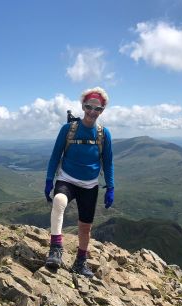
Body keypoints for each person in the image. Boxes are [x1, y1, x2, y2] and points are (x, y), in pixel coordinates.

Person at [44, 87, 114, 278]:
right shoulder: (68, 130)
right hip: (67, 178)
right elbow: (55, 155)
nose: (92, 112)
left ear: (102, 110)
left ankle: (80, 263)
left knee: (85, 227)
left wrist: (111, 186)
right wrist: (50, 180)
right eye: (88, 107)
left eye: (97, 109)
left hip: (90, 185)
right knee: (59, 201)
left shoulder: (103, 134)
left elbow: (107, 162)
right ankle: (56, 249)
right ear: (83, 106)